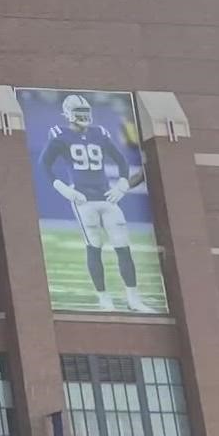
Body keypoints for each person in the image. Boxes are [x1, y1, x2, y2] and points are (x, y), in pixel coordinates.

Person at [40, 93, 152, 312]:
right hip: (83, 199)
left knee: (123, 247)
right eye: (79, 112)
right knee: (94, 246)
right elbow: (45, 165)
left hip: (106, 197)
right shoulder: (59, 135)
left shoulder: (99, 133)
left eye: (85, 112)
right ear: (68, 114)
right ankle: (104, 298)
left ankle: (133, 298)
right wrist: (63, 189)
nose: (84, 116)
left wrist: (121, 184)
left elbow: (120, 159)